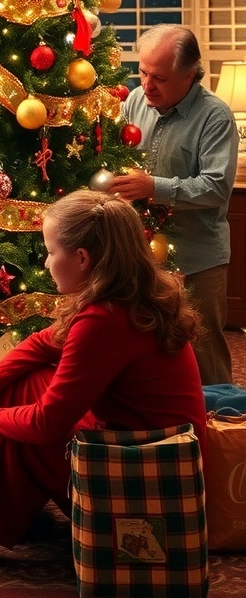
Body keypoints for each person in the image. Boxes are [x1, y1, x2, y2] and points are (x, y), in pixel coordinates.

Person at [0, 190, 207, 562]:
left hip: (149, 478)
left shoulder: (104, 320)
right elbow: (40, 343)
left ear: (82, 258)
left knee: (26, 432)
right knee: (27, 382)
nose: (47, 262)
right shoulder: (128, 292)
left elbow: (47, 424)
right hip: (152, 451)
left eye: (51, 252)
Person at [112, 24, 238, 385]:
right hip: (141, 257)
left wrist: (153, 187)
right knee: (146, 354)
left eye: (160, 78)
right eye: (142, 72)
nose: (147, 85)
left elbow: (216, 187)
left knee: (203, 357)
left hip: (196, 259)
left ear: (190, 75)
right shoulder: (135, 102)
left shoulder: (215, 116)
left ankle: (220, 419)